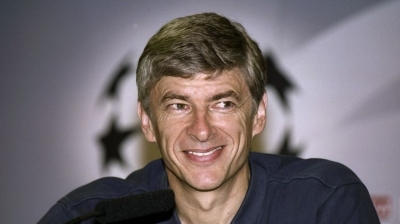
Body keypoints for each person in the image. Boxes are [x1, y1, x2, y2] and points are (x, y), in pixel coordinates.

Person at [39, 12, 379, 223]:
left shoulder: (325, 201)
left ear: (258, 114)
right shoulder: (93, 217)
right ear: (147, 121)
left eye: (223, 104)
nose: (201, 130)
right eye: (178, 106)